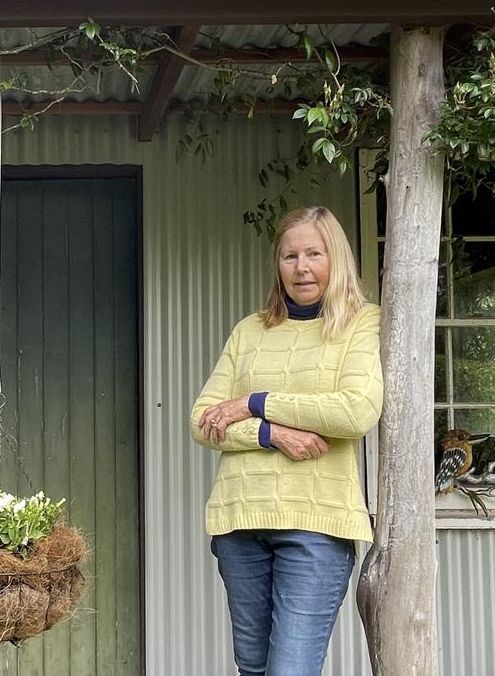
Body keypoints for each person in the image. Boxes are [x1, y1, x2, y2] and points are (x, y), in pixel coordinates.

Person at [191, 205, 382, 676]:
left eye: (314, 253)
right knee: (253, 669)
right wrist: (269, 434)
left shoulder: (362, 322)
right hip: (240, 522)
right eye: (290, 255)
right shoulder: (250, 331)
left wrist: (255, 402)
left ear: (335, 258)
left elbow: (355, 411)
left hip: (316, 526)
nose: (301, 267)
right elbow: (202, 420)